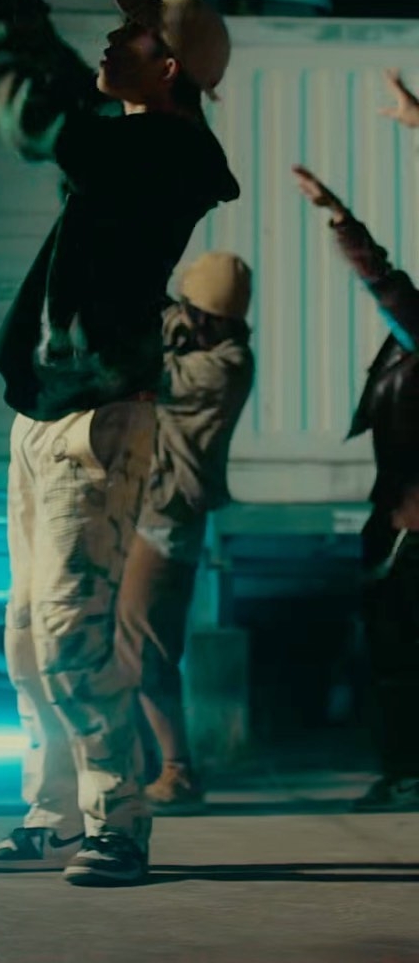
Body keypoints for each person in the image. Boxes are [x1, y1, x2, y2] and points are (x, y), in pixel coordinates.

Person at [0, 0, 240, 886]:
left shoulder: (168, 153)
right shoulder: (137, 140)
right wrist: (13, 3)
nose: (112, 40)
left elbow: (47, 116)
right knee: (26, 638)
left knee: (73, 638)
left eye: (132, 33)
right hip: (47, 412)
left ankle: (118, 819)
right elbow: (73, 98)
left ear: (170, 68)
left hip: (98, 420)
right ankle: (53, 816)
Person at [293, 69, 419, 812]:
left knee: (402, 655)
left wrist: (341, 218)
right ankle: (403, 771)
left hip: (412, 522)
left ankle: (407, 774)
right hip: (397, 514)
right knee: (392, 653)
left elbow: (386, 282)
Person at [117, 251, 254, 811]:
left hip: (168, 518)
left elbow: (152, 374)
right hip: (150, 509)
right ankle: (152, 764)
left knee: (144, 647)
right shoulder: (201, 341)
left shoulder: (226, 365)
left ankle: (176, 769)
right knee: (133, 644)